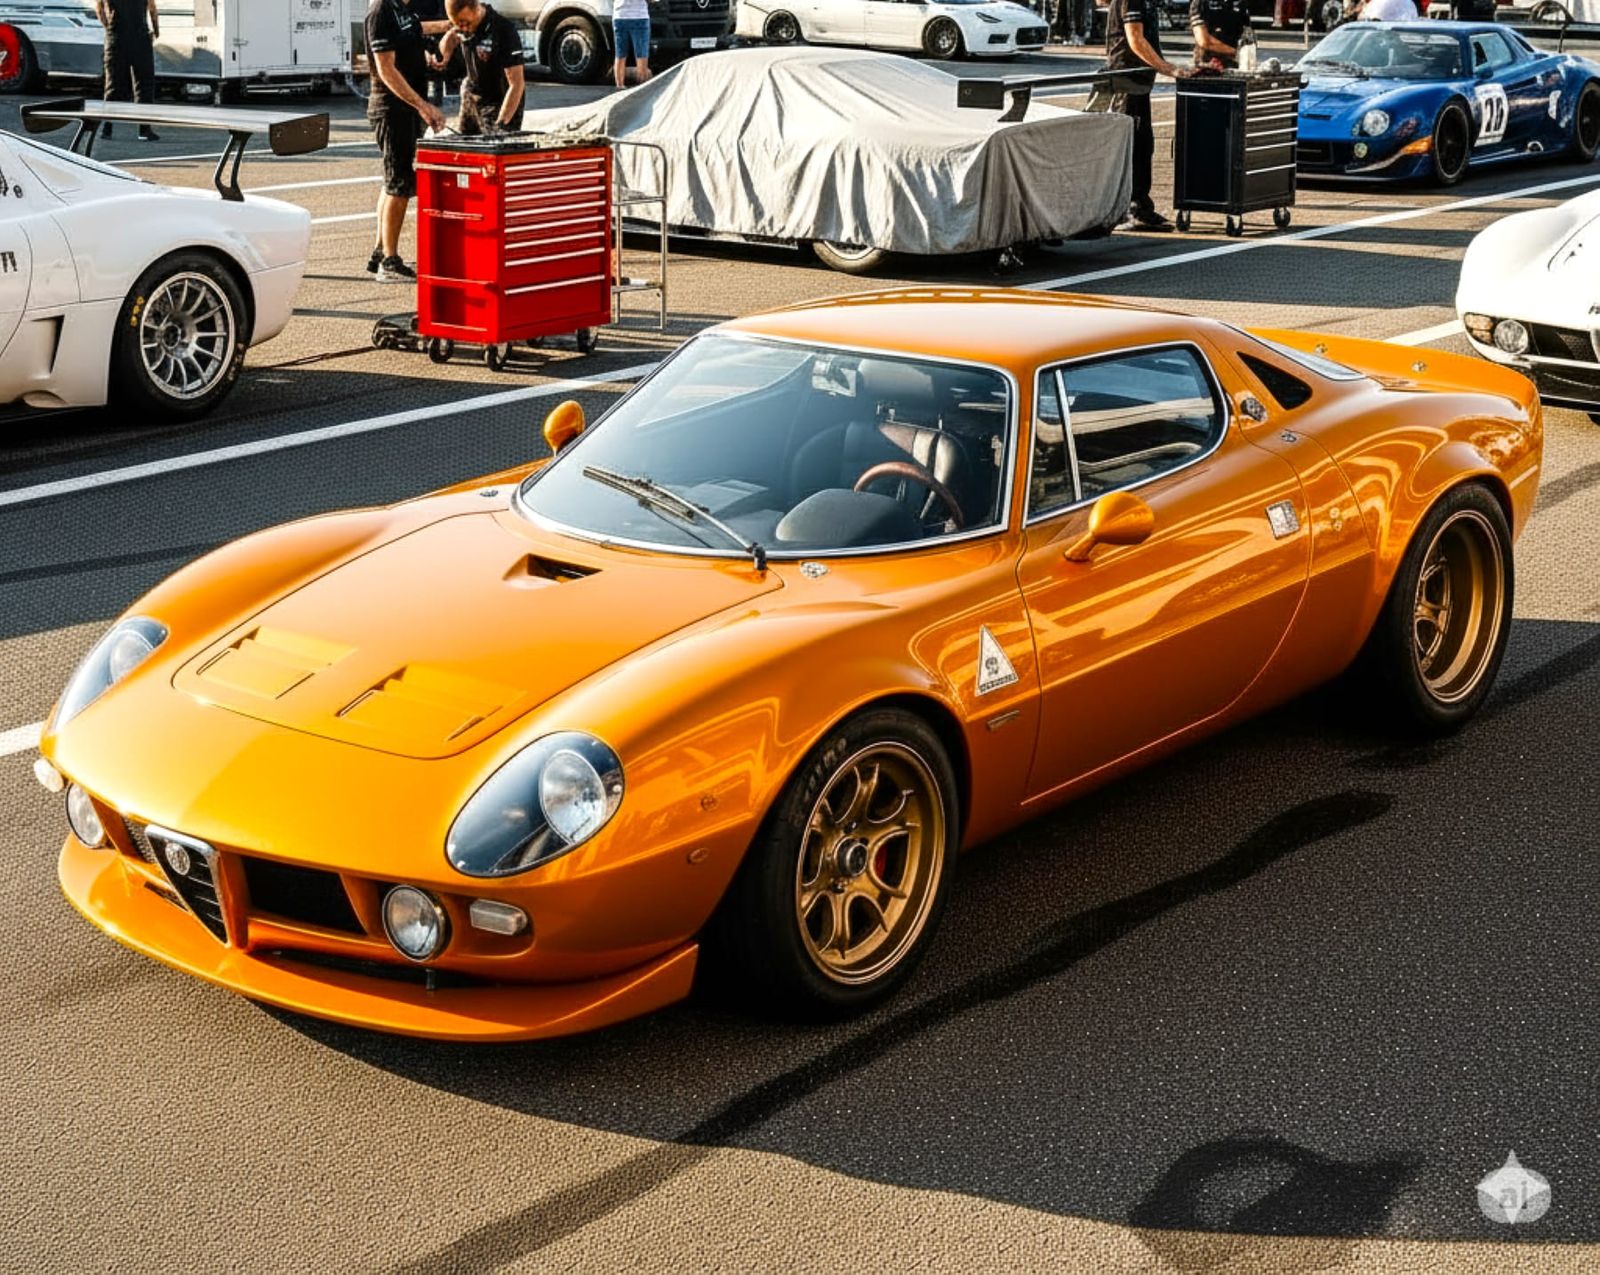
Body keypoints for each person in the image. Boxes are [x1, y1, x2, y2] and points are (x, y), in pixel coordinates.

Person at [365, 0, 450, 284]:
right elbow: (386, 68)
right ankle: (390, 261)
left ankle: (380, 250)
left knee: (393, 180)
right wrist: (423, 106)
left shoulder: (405, 10)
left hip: (405, 110)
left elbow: (413, 34)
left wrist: (443, 35)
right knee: (399, 183)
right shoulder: (381, 11)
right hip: (392, 109)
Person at [1103, 0, 1188, 231]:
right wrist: (1167, 68)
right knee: (1133, 147)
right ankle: (1130, 209)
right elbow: (1135, 39)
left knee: (1143, 145)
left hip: (1138, 82)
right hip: (1126, 80)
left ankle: (1140, 205)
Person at [436, 0, 526, 135]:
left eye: (466, 23)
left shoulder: (503, 30)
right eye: (458, 24)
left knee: (494, 146)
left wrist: (501, 124)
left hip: (499, 100)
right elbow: (445, 45)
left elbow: (517, 84)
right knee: (466, 146)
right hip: (472, 94)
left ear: (477, 9)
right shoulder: (462, 24)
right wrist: (447, 50)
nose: (464, 28)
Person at [95, 0, 159, 142]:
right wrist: (156, 29)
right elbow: (152, 9)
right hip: (140, 36)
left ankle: (107, 128)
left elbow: (99, 9)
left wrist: (109, 29)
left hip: (116, 37)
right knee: (144, 86)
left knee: (112, 86)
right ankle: (144, 129)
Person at [1190, 0, 1251, 67]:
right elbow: (1204, 41)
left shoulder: (1241, 3)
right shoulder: (1201, 3)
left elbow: (1248, 38)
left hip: (1235, 65)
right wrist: (1238, 53)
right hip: (1207, 66)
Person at [613, 0, 651, 89]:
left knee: (620, 54)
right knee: (641, 55)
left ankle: (620, 87)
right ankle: (642, 90)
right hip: (639, 16)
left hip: (620, 15)